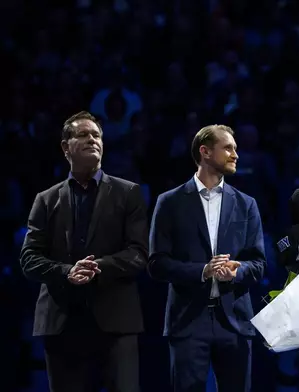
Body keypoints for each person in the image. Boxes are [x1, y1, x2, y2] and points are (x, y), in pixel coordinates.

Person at [20, 111, 148, 392]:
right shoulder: (46, 199)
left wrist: (96, 267)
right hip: (62, 322)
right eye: (83, 134)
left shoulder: (129, 193)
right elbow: (29, 259)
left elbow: (139, 253)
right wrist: (67, 272)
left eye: (97, 135)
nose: (92, 139)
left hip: (116, 320)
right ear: (66, 147)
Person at [148, 124, 266, 392]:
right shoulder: (169, 202)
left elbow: (259, 264)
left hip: (235, 321)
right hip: (188, 321)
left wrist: (238, 271)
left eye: (235, 148)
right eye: (228, 148)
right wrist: (203, 271)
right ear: (205, 151)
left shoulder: (246, 204)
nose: (236, 154)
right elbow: (156, 264)